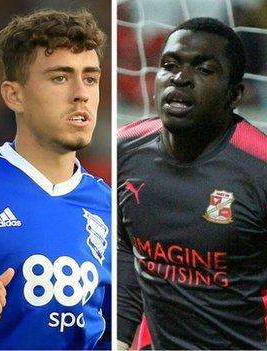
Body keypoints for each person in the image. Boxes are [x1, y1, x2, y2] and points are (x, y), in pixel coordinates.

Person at [0, 9, 110, 350]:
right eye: (60, 77)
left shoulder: (110, 208)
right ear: (14, 95)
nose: (80, 94)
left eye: (90, 78)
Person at [117, 17, 267, 349]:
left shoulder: (259, 170)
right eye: (170, 65)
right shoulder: (125, 151)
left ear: (234, 95)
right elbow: (124, 247)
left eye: (204, 70)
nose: (181, 79)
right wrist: (120, 336)